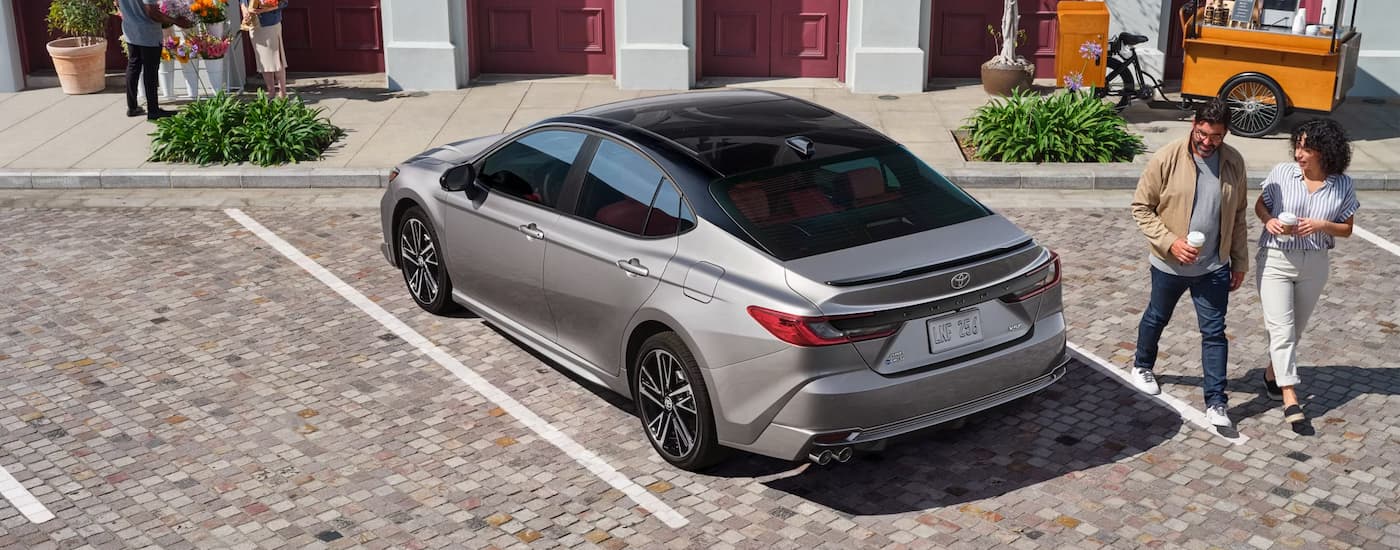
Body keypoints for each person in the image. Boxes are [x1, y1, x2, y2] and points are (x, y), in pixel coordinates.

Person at [1129, 98, 1250, 431]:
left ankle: (1216, 402)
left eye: (1217, 136)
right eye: (1204, 134)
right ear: (1194, 125)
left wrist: (1239, 260)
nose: (1209, 142)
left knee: (1214, 333)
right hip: (1169, 264)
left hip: (1213, 267)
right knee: (1157, 315)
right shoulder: (1167, 157)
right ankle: (1142, 365)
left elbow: (1239, 215)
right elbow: (1141, 207)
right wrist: (1171, 242)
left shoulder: (1233, 162)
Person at [1254, 118, 1359, 425]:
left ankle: (1272, 374)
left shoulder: (1342, 184)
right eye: (1298, 146)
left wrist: (1321, 225)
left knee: (1294, 331)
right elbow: (1261, 205)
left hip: (1315, 262)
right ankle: (1291, 398)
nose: (1299, 153)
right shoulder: (1283, 173)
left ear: (1325, 151)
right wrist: (1267, 220)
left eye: (1307, 147)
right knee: (1282, 330)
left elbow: (1347, 229)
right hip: (1276, 257)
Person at [118, 0, 192, 120]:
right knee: (150, 71)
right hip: (148, 32)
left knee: (133, 66)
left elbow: (117, 3)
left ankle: (132, 107)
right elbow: (152, 13)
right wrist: (176, 21)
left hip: (130, 29)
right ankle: (153, 110)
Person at [242, 0, 289, 98]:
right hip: (254, 24)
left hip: (270, 23)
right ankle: (271, 92)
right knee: (263, 61)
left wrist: (265, 9)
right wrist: (245, 11)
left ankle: (282, 93)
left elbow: (284, 2)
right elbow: (242, 1)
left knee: (276, 60)